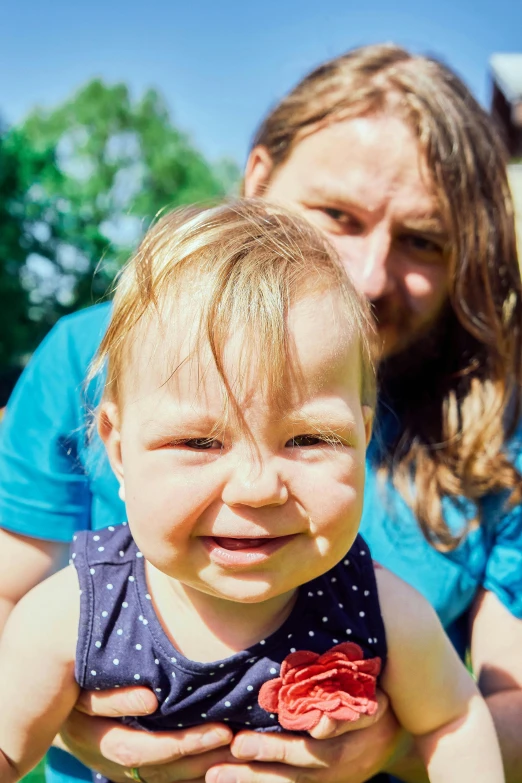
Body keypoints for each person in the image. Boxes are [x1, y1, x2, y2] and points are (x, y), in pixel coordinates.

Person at [1, 43, 522, 783]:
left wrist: (396, 747)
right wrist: (46, 707)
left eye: (424, 240)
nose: (369, 277)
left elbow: (475, 710)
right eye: (337, 214)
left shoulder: (386, 589)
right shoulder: (82, 589)